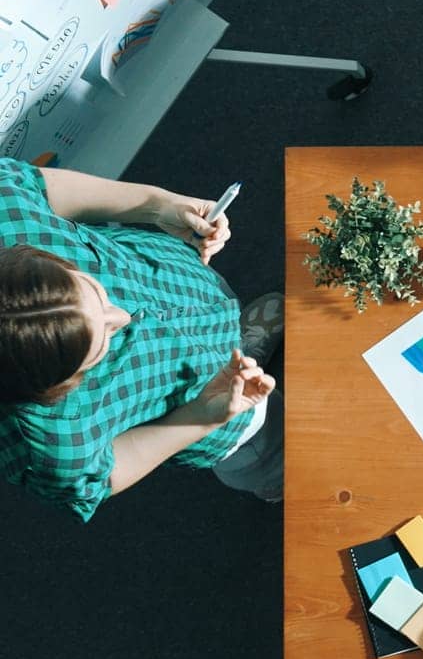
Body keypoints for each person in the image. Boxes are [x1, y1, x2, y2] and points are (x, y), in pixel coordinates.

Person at [0, 160, 283, 521]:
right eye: (103, 341)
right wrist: (201, 418)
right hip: (206, 405)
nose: (123, 315)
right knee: (271, 448)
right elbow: (108, 474)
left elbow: (42, 184)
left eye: (95, 291)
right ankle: (274, 478)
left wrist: (158, 204)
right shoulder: (48, 445)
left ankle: (241, 340)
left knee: (222, 311)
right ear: (57, 386)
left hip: (179, 283)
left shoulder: (5, 210)